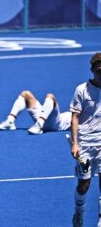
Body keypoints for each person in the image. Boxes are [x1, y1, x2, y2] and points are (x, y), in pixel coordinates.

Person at [70, 52, 101, 227]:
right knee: (84, 184)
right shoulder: (81, 90)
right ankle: (78, 211)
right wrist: (75, 143)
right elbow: (75, 118)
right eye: (99, 70)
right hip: (86, 144)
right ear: (92, 70)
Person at [0, 90, 71, 134]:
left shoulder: (80, 118)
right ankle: (10, 121)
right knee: (25, 94)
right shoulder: (76, 112)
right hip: (44, 116)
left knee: (50, 96)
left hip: (56, 124)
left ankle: (39, 125)